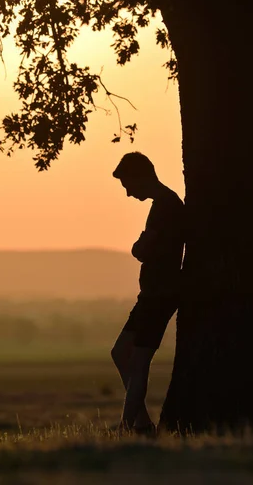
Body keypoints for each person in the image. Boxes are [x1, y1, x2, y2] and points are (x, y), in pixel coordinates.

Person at [111, 152, 185, 434]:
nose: (129, 194)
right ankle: (139, 422)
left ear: (142, 177)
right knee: (120, 353)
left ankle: (129, 426)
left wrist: (139, 246)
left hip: (160, 294)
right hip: (152, 293)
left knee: (139, 361)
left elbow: (143, 250)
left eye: (129, 185)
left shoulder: (166, 206)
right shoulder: (164, 204)